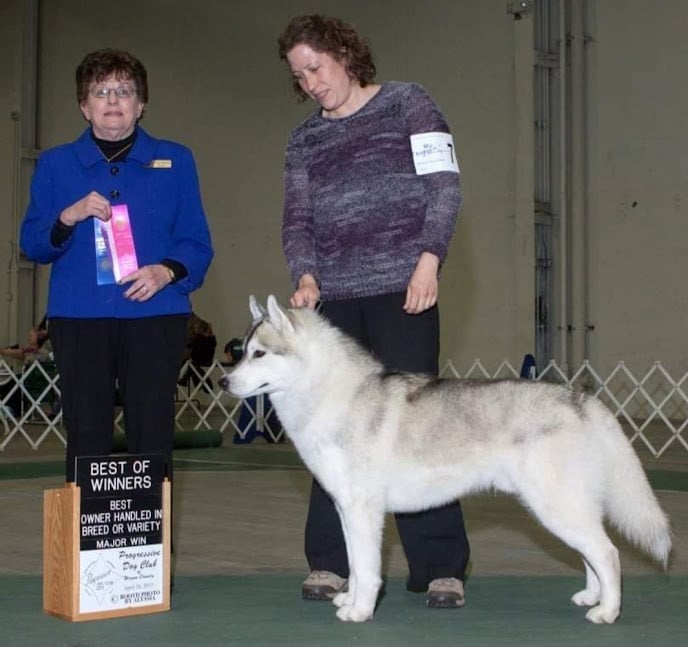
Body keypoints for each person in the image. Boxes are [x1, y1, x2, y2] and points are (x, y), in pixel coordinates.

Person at [277, 15, 470, 608]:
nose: (310, 83)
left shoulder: (409, 103)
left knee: (420, 425)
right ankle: (330, 563)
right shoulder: (303, 141)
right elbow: (297, 220)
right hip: (334, 301)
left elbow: (443, 185)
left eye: (315, 67)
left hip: (405, 288)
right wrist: (305, 275)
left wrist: (429, 261)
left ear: (343, 54)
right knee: (331, 429)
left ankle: (440, 566)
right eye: (298, 75)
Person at [20, 48, 213, 482]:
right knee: (86, 433)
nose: (112, 100)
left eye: (124, 91)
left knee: (153, 433)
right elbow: (32, 243)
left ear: (141, 104)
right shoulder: (54, 164)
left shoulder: (176, 159)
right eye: (100, 91)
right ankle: (89, 547)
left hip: (155, 315)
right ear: (83, 106)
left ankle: (147, 549)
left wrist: (165, 271)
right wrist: (66, 217)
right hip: (79, 317)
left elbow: (197, 243)